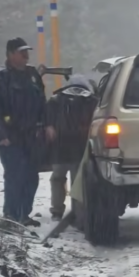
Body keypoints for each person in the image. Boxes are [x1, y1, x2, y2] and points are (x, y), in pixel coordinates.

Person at [0, 38, 55, 227]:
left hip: (32, 135)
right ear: (11, 54)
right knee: (15, 174)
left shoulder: (32, 75)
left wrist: (47, 124)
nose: (26, 56)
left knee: (31, 175)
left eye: (26, 52)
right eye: (22, 53)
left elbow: (42, 102)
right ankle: (11, 216)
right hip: (10, 136)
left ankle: (24, 214)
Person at [45, 74, 98, 221]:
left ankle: (57, 211)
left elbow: (46, 119)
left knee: (57, 179)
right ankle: (80, 213)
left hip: (59, 147)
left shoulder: (56, 100)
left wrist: (49, 128)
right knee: (78, 182)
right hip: (80, 147)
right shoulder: (92, 101)